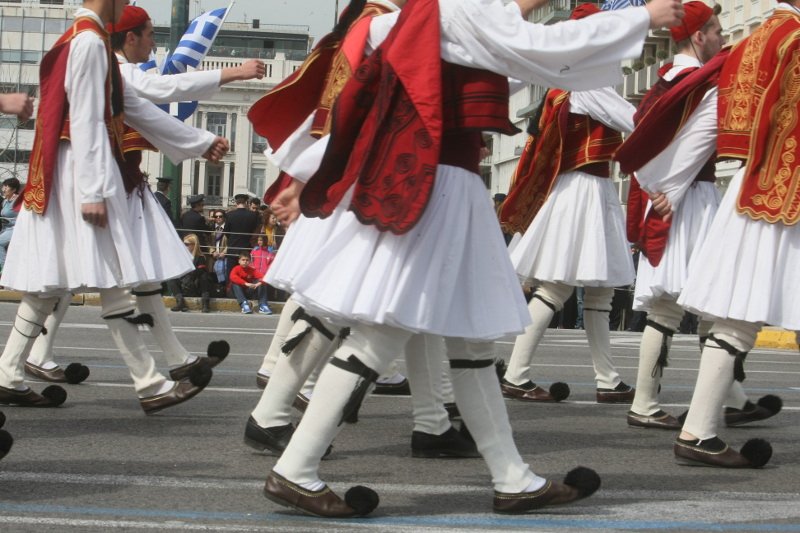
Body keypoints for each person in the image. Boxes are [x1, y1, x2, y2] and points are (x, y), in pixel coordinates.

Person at [263, 0, 684, 517]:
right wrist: (643, 17)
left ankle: (513, 478)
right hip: (438, 186)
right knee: (385, 334)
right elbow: (542, 47)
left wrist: (305, 169)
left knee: (469, 344)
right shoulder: (455, 10)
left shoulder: (424, 15)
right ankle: (296, 469)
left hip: (433, 183)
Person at [0, 0, 229, 412]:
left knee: (54, 284)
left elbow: (130, 109)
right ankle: (150, 383)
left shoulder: (83, 40)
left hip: (70, 168)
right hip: (79, 172)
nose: (124, 4)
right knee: (112, 280)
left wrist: (198, 142)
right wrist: (92, 191)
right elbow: (90, 119)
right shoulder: (89, 43)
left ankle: (8, 372)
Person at [631, 0, 797, 468]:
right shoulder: (790, 40)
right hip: (781, 192)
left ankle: (700, 427)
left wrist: (656, 181)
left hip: (751, 188)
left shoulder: (755, 42)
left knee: (731, 315)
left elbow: (706, 123)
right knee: (702, 310)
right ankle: (678, 418)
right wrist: (666, 185)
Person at [499, 3, 638, 405]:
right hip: (583, 190)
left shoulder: (569, 81)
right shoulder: (585, 83)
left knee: (600, 291)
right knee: (558, 286)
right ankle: (516, 372)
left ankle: (608, 377)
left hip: (587, 187)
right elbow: (633, 119)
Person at [224, 192, 261, 277]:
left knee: (231, 273)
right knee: (245, 273)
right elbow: (256, 231)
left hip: (233, 247)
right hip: (246, 247)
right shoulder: (253, 215)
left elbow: (226, 231)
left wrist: (232, 239)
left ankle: (230, 289)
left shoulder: (229, 215)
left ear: (236, 203)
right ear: (247, 203)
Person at [0, 178, 21, 273]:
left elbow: (23, 217)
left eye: (6, 187)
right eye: (3, 186)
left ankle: (4, 271)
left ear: (14, 190)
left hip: (15, 229)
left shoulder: (18, 201)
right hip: (5, 229)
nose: (3, 189)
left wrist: (9, 220)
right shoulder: (5, 202)